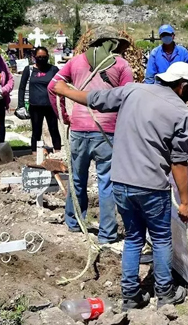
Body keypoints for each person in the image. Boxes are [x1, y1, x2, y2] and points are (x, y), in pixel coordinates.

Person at [52, 62, 188, 311]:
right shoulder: (180, 112)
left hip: (120, 182)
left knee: (133, 238)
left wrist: (64, 91)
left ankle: (130, 294)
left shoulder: (132, 90)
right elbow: (179, 162)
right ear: (182, 85)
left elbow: (95, 98)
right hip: (151, 185)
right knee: (161, 239)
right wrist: (185, 201)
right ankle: (165, 293)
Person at [47, 26, 133, 243]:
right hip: (107, 132)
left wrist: (63, 115)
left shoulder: (75, 62)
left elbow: (52, 86)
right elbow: (129, 99)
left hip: (78, 130)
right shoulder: (122, 65)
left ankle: (74, 223)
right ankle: (107, 234)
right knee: (106, 184)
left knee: (77, 179)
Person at [18, 47, 61, 153]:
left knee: (54, 129)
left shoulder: (53, 69)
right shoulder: (29, 70)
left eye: (44, 57)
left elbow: (61, 84)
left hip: (50, 105)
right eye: (39, 57)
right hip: (35, 106)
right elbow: (22, 87)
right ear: (35, 57)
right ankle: (35, 152)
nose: (42, 59)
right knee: (36, 131)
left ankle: (58, 150)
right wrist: (21, 104)